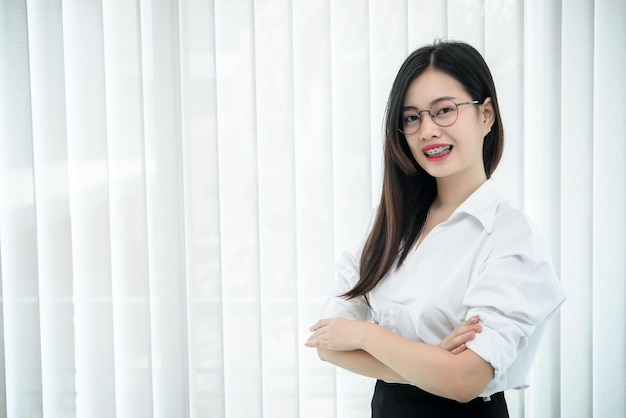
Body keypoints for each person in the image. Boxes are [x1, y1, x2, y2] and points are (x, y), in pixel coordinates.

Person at [304, 40, 566, 418]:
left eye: (444, 111)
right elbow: (328, 342)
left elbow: (465, 381)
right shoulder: (391, 219)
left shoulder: (509, 235)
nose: (427, 130)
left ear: (486, 115)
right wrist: (435, 363)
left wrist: (368, 335)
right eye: (412, 117)